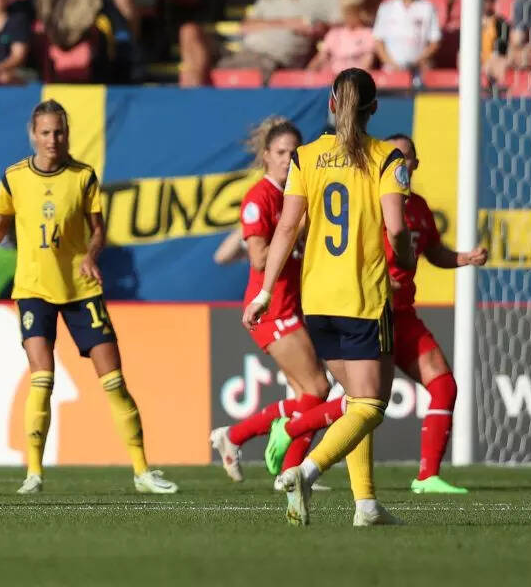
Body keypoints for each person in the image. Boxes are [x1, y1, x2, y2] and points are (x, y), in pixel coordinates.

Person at [0, 100, 178, 496]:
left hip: (80, 290)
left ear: (67, 134)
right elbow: (0, 225)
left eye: (59, 132)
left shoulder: (84, 177)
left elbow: (98, 228)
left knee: (114, 381)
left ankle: (142, 471)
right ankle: (34, 474)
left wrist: (90, 255)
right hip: (34, 289)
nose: (52, 139)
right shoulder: (14, 177)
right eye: (45, 132)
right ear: (32, 135)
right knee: (43, 377)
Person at [265, 134, 488, 495]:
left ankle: (426, 476)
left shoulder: (417, 207)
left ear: (413, 164)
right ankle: (296, 440)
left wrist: (463, 259)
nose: (400, 162)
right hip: (371, 309)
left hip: (405, 317)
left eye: (406, 157)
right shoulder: (368, 201)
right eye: (394, 156)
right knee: (364, 402)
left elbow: (431, 252)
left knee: (442, 385)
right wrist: (379, 281)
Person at [242, 68, 416, 527]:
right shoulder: (387, 157)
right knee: (371, 405)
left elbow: (286, 228)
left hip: (315, 301)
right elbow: (396, 228)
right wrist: (406, 254)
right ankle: (307, 469)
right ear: (374, 109)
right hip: (362, 298)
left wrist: (263, 292)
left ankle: (366, 505)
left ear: (332, 106)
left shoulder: (306, 157)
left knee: (354, 399)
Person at [209, 118, 331, 484]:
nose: (287, 159)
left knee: (304, 395)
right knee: (319, 390)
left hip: (291, 304)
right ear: (266, 156)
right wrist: (293, 234)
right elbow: (260, 258)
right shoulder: (259, 198)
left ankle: (288, 469)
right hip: (271, 309)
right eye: (280, 153)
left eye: (294, 153)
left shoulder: (292, 195)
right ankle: (240, 437)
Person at [179, 0, 341, 86]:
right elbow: (245, 27)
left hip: (270, 61)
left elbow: (349, 24)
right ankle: (194, 95)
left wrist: (322, 31)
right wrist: (292, 23)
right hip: (243, 54)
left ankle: (194, 96)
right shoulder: (267, 1)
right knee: (189, 30)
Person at [373, 0, 442, 73]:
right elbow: (379, 41)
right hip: (391, 70)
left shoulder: (427, 7)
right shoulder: (385, 8)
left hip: (419, 69)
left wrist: (416, 62)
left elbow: (435, 42)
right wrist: (393, 65)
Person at [308, 0, 375, 73]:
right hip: (332, 79)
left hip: (355, 79)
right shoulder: (334, 33)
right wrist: (308, 74)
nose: (347, 16)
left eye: (350, 12)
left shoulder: (368, 34)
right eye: (345, 12)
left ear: (360, 12)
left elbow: (367, 62)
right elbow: (321, 58)